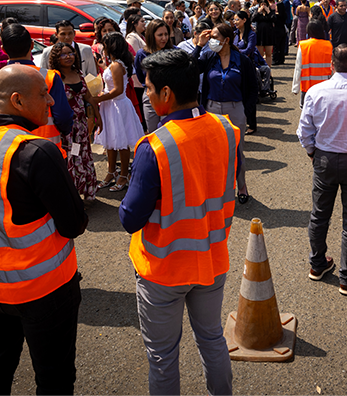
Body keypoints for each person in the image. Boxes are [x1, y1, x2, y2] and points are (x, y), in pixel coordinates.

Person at [0, 64, 87, 395]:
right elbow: (74, 224)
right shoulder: (35, 151)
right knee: (54, 376)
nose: (51, 102)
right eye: (43, 94)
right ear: (18, 101)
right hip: (44, 289)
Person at [119, 49, 239, 396]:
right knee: (212, 339)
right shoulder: (226, 129)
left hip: (164, 268)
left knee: (163, 357)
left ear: (166, 94)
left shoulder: (154, 146)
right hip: (212, 258)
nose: (147, 95)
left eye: (150, 89)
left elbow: (130, 218)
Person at [297, 45, 347, 295]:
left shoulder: (315, 91)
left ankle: (317, 263)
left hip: (324, 158)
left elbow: (305, 131)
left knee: (319, 214)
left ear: (331, 65)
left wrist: (313, 152)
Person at [0, 24, 74, 150]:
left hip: (2, 149)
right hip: (46, 148)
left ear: (3, 50)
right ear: (32, 46)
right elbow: (63, 116)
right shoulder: (50, 77)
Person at [193, 22, 256, 204]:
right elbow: (191, 69)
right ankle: (217, 188)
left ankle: (241, 186)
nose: (212, 41)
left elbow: (252, 88)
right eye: (211, 37)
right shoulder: (208, 56)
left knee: (237, 151)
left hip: (235, 109)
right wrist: (199, 45)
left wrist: (246, 111)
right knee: (213, 152)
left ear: (226, 40)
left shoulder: (242, 60)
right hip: (212, 109)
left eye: (215, 38)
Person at [47, 43, 102, 201]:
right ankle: (72, 197)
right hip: (65, 127)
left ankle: (87, 193)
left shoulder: (78, 73)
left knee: (84, 156)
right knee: (71, 158)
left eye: (70, 53)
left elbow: (89, 97)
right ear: (56, 58)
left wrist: (98, 117)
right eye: (63, 54)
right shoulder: (54, 77)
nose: (68, 56)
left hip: (81, 125)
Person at [94, 32, 145, 191]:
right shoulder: (115, 64)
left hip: (117, 105)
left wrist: (99, 98)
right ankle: (111, 172)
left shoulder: (117, 65)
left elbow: (117, 90)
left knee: (121, 142)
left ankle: (123, 174)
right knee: (110, 141)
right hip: (110, 105)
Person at [135, 20, 173, 132]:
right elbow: (140, 75)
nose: (164, 38)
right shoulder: (142, 54)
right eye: (160, 35)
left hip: (170, 97)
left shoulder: (174, 52)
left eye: (166, 34)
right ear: (151, 36)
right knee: (153, 132)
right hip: (150, 96)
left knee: (168, 132)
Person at [292, 20, 332, 107]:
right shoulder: (329, 45)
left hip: (308, 86)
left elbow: (298, 67)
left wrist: (295, 87)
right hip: (325, 85)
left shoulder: (303, 45)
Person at [126, 12, 149, 132]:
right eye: (142, 22)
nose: (144, 24)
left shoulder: (141, 36)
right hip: (137, 78)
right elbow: (134, 57)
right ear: (134, 24)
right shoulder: (132, 37)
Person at [252, 0, 276, 67]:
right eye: (262, 4)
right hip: (260, 34)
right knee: (260, 54)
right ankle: (261, 69)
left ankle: (268, 69)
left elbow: (274, 19)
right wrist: (258, 12)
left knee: (268, 54)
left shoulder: (271, 12)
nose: (263, 6)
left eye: (265, 4)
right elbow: (252, 19)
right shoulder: (257, 12)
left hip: (269, 34)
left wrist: (268, 11)